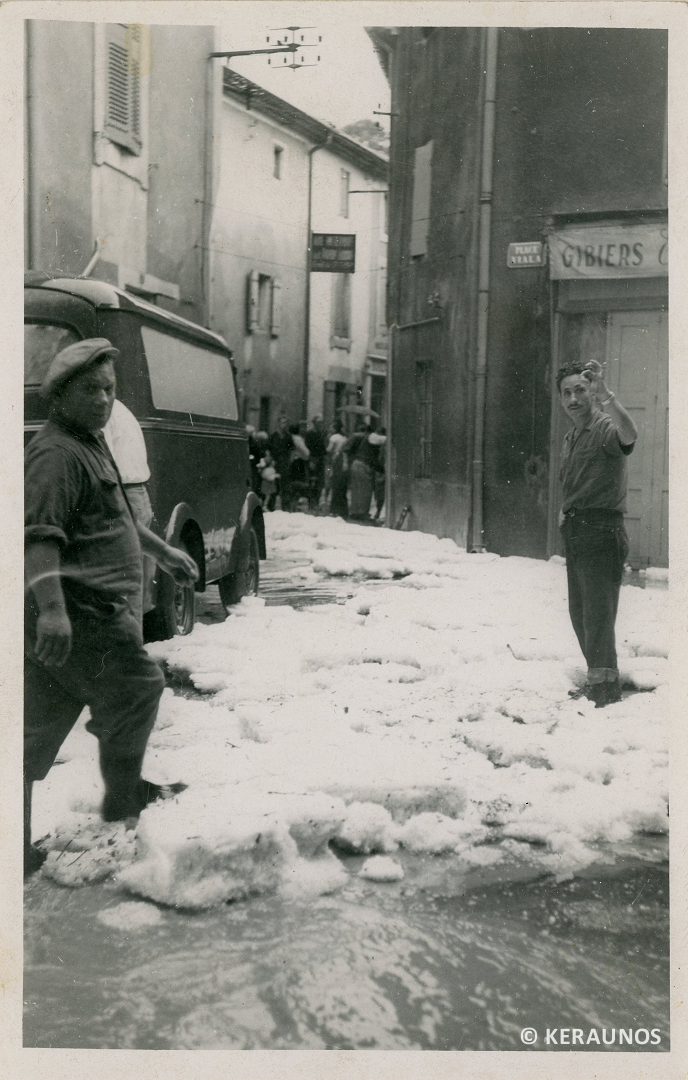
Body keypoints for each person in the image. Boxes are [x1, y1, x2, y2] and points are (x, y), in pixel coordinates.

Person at [24, 339, 199, 875]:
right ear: (60, 396)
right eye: (90, 390)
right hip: (81, 612)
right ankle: (124, 800)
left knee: (34, 729)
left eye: (109, 389)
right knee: (138, 689)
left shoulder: (91, 442)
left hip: (83, 614)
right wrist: (52, 610)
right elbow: (39, 538)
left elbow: (116, 520)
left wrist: (163, 550)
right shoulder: (57, 454)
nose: (103, 400)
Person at [557, 358, 637, 708]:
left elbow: (630, 435)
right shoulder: (572, 435)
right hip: (577, 529)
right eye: (566, 393)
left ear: (592, 393)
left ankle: (605, 692)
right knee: (580, 612)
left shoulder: (604, 426)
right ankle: (598, 679)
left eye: (580, 390)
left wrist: (609, 398)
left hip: (601, 529)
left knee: (597, 613)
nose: (573, 399)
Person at [103, 398, 156, 619]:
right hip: (139, 493)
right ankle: (135, 645)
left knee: (125, 584)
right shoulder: (122, 409)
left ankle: (129, 648)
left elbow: (104, 462)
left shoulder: (104, 414)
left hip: (124, 493)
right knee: (138, 580)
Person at [345, 422, 386, 521]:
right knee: (365, 489)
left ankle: (355, 512)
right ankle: (363, 513)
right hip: (363, 465)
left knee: (356, 490)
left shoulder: (369, 437)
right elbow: (383, 440)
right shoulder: (373, 436)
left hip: (357, 463)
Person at [268, 416, 294, 512]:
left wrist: (290, 461)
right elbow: (268, 450)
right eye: (283, 423)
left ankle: (285, 507)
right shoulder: (273, 436)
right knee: (274, 485)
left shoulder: (288, 437)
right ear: (278, 423)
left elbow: (292, 450)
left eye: (286, 423)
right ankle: (271, 506)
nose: (284, 425)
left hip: (285, 464)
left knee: (285, 486)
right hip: (275, 463)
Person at [326, 420, 349, 518]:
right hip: (342, 460)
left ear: (335, 428)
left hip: (336, 460)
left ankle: (334, 509)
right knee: (341, 486)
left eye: (331, 427)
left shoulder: (333, 437)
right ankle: (343, 510)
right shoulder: (344, 437)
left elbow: (328, 450)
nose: (330, 428)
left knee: (335, 485)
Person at [305, 415, 328, 510]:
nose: (320, 424)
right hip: (313, 458)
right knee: (312, 480)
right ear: (314, 423)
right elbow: (308, 446)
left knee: (320, 481)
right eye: (318, 422)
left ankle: (317, 501)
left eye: (321, 423)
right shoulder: (309, 433)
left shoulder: (322, 433)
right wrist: (310, 460)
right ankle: (311, 502)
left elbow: (323, 447)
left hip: (321, 459)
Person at [287, 423, 311, 511]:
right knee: (297, 484)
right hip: (297, 462)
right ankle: (295, 505)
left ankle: (293, 505)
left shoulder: (291, 438)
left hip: (293, 462)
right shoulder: (297, 439)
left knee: (293, 484)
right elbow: (306, 452)